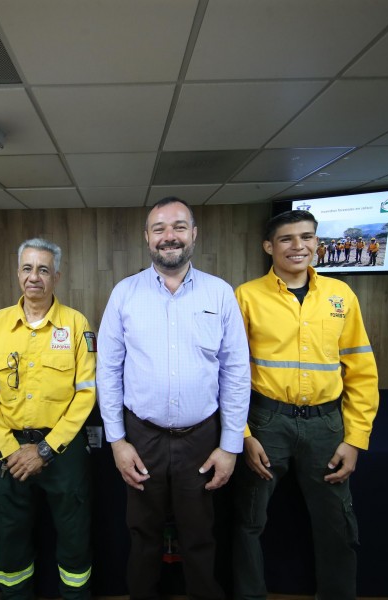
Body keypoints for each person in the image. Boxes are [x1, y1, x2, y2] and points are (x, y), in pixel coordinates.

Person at [97, 197, 251, 600]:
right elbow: (108, 372)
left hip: (201, 438)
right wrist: (117, 441)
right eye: (160, 228)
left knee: (199, 535)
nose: (170, 236)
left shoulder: (219, 295)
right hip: (140, 436)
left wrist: (230, 446)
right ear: (147, 238)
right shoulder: (124, 294)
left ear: (194, 234)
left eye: (179, 226)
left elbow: (236, 373)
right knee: (143, 534)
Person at [232, 209, 379, 600]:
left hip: (326, 427)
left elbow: (361, 369)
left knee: (336, 522)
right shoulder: (246, 296)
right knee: (247, 521)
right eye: (286, 239)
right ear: (269, 247)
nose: (298, 246)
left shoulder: (340, 295)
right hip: (266, 422)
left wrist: (356, 438)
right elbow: (230, 372)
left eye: (307, 237)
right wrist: (242, 434)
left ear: (317, 243)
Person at [0, 238, 96, 600]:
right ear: (18, 274)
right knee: (10, 538)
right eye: (27, 268)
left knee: (74, 537)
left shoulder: (76, 324)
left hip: (63, 450)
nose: (34, 277)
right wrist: (8, 449)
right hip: (8, 453)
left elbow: (86, 394)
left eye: (43, 269)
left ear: (56, 276)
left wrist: (45, 449)